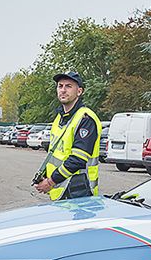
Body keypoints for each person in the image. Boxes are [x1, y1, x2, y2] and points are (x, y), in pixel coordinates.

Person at [33, 71, 102, 200]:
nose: (63, 90)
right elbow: (56, 154)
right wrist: (45, 176)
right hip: (61, 191)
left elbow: (77, 160)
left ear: (79, 91)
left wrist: (50, 182)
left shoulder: (86, 119)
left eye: (68, 86)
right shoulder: (59, 118)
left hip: (79, 191)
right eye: (60, 86)